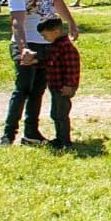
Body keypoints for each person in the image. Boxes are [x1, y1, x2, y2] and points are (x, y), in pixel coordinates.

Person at [4, 0, 78, 144]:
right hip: (29, 44)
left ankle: (31, 133)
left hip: (48, 43)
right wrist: (23, 48)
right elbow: (17, 22)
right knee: (23, 90)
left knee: (38, 90)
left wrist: (70, 22)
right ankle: (8, 135)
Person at [37, 16, 80, 149]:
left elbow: (72, 68)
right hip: (55, 86)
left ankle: (65, 141)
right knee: (55, 114)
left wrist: (69, 85)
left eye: (45, 35)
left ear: (55, 32)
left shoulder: (66, 48)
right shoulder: (55, 46)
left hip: (63, 88)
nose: (44, 39)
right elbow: (50, 62)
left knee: (61, 115)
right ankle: (59, 138)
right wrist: (36, 62)